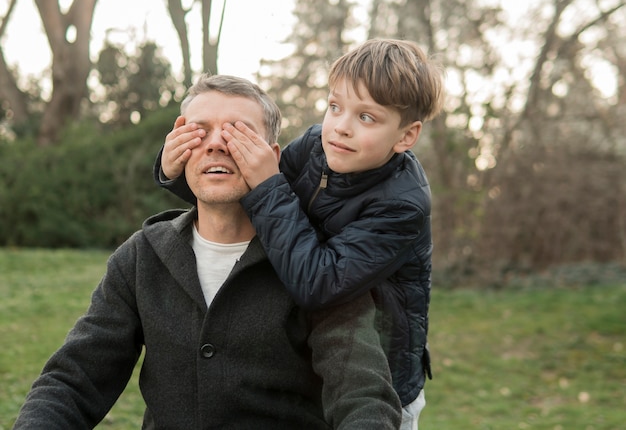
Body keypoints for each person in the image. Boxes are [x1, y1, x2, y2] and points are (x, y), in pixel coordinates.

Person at [12, 75, 402, 429]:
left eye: (238, 133)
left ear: (273, 156)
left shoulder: (318, 266)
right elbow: (73, 380)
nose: (216, 143)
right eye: (199, 131)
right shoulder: (141, 257)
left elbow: (362, 394)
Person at [155, 39, 444, 430]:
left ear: (406, 136)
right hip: (311, 357)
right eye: (335, 107)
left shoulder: (402, 206)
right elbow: (247, 205)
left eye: (367, 118)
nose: (341, 127)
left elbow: (319, 282)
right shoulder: (314, 145)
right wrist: (174, 172)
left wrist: (269, 183)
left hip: (376, 377)